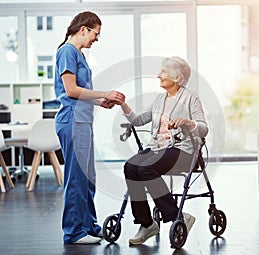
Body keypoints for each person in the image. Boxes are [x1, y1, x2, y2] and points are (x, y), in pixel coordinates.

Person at [120, 56, 208, 245]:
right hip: (158, 148)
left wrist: (188, 122)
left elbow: (203, 128)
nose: (158, 75)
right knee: (130, 167)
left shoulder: (190, 98)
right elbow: (138, 120)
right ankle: (146, 223)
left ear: (177, 78)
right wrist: (123, 104)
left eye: (163, 72)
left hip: (182, 151)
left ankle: (175, 215)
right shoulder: (160, 99)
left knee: (145, 169)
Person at [54, 11, 125, 245]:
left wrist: (98, 101)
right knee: (76, 178)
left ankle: (88, 225)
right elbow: (71, 90)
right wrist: (105, 92)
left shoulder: (78, 54)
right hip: (72, 122)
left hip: (83, 121)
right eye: (96, 33)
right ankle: (74, 232)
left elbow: (80, 92)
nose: (96, 39)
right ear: (83, 29)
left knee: (88, 177)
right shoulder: (67, 51)